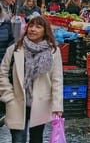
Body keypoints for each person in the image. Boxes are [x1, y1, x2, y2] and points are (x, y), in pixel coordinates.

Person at [0, 15, 63, 143]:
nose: (33, 29)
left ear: (45, 31)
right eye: (31, 26)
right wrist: (8, 96)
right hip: (17, 102)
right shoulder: (14, 49)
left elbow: (57, 79)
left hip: (40, 103)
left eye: (38, 27)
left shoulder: (53, 52)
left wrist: (57, 105)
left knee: (36, 139)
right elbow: (2, 74)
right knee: (18, 140)